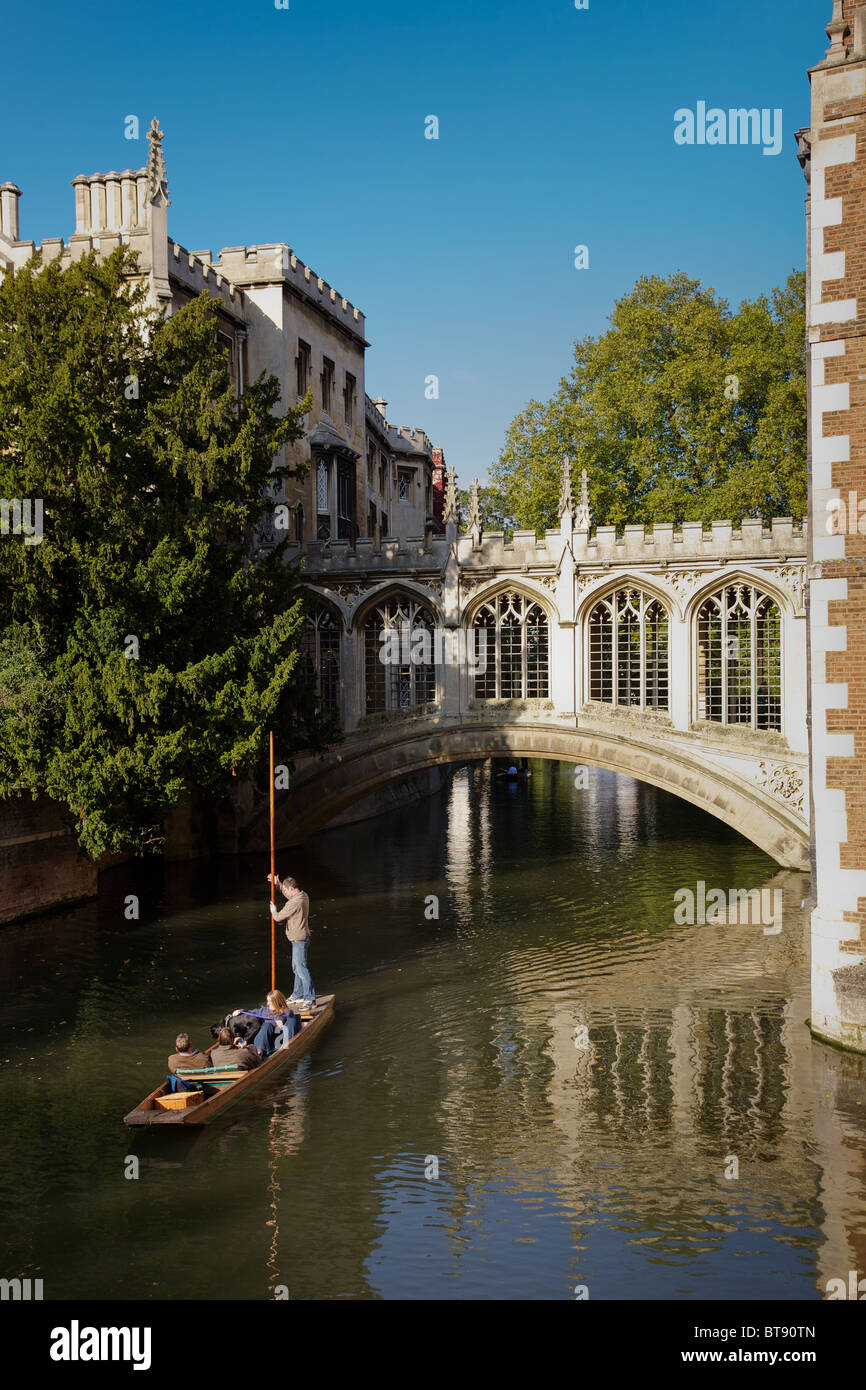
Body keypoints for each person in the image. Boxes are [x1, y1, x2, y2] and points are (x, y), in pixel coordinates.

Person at [267, 873, 315, 1010]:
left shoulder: (295, 902)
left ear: (293, 889)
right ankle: (298, 994)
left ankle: (309, 999)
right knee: (297, 968)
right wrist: (279, 884)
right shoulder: (302, 895)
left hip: (299, 939)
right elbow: (289, 895)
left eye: (287, 890)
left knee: (301, 969)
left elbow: (278, 917)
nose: (286, 892)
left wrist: (273, 911)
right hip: (301, 937)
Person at [231, 991, 301, 1058]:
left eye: (270, 1001)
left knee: (267, 1025)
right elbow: (250, 1012)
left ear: (277, 1001)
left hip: (278, 1040)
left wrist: (282, 1027)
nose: (268, 1004)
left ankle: (258, 1053)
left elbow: (291, 1030)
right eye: (267, 1001)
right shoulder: (264, 1010)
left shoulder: (287, 1012)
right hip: (264, 1040)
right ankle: (258, 1051)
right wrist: (240, 1011)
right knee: (265, 1026)